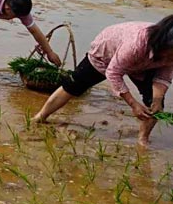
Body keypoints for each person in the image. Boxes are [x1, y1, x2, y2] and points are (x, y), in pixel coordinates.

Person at [33, 17, 173, 146]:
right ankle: (41, 116)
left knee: (155, 106)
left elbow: (164, 75)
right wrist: (133, 104)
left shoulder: (168, 55)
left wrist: (157, 98)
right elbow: (113, 73)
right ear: (165, 45)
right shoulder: (136, 43)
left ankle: (143, 140)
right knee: (73, 85)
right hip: (106, 54)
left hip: (145, 65)